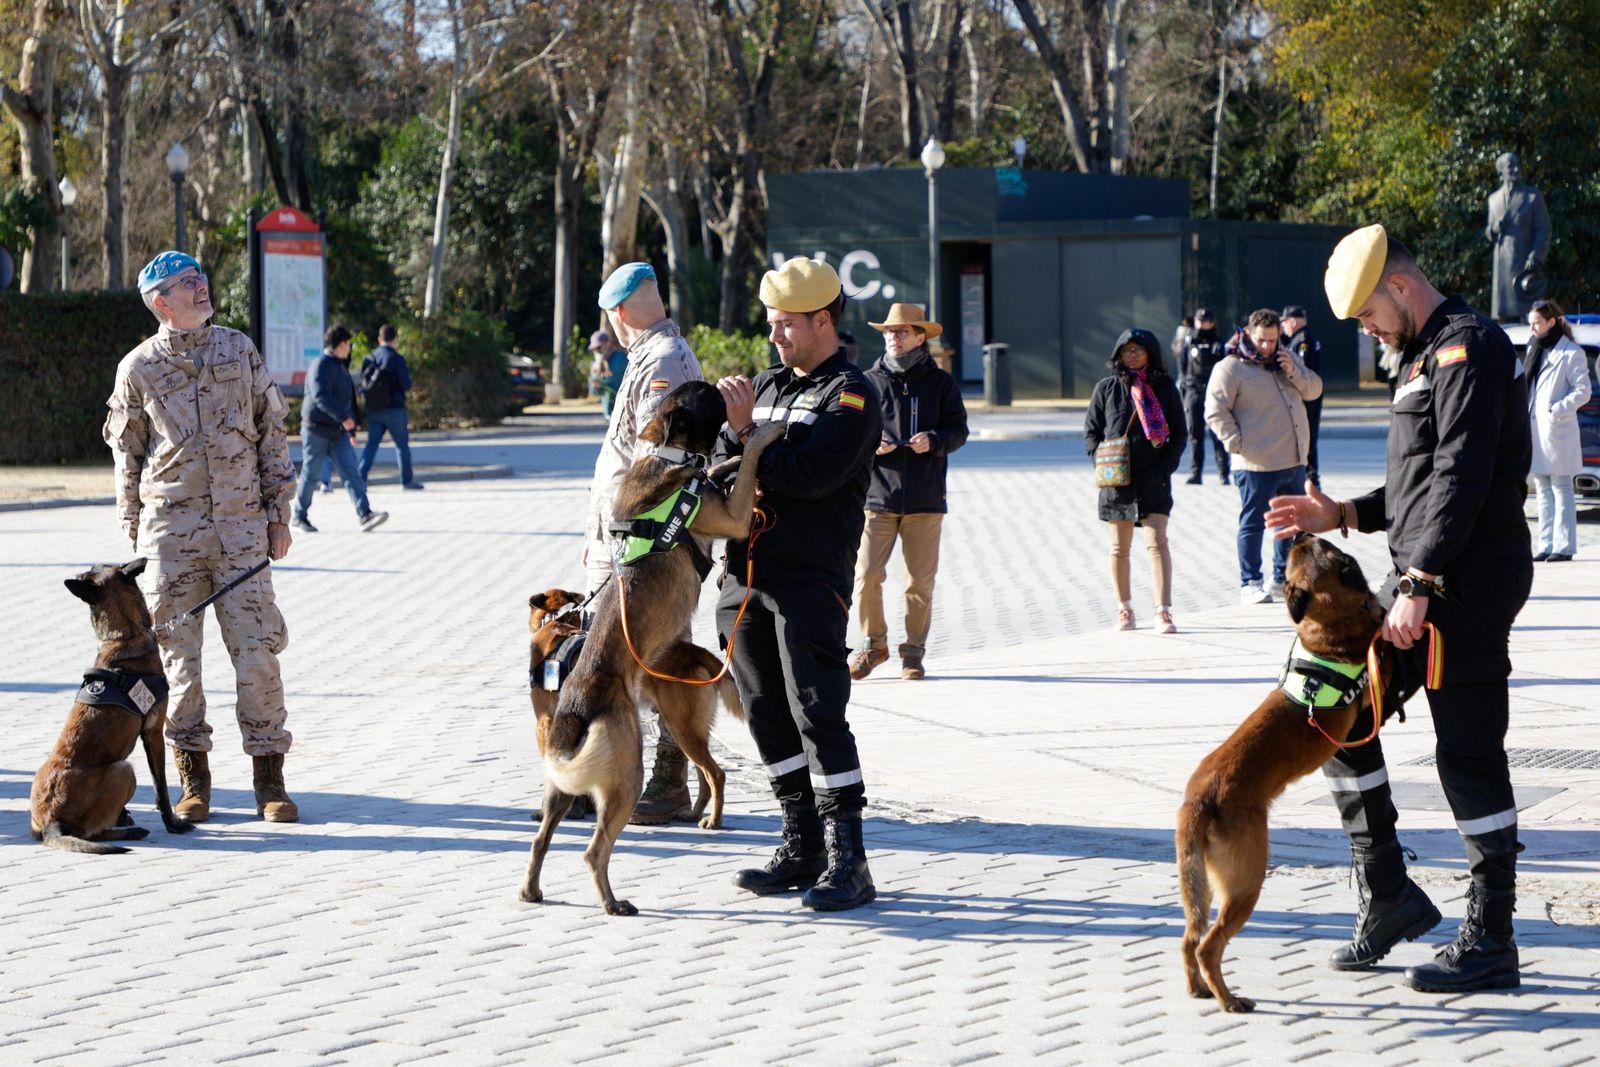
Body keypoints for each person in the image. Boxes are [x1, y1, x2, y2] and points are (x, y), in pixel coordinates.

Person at [1267, 224, 1533, 994]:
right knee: (1328, 708)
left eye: (1367, 315)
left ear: (1400, 286)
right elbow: (1417, 485)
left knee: (1468, 751)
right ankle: (1388, 891)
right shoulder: (1418, 357)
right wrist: (1341, 514)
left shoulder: (1470, 347)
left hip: (1466, 583)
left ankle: (1492, 937)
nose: (1366, 331)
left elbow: (1463, 472)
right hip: (1424, 575)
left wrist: (1418, 581)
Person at [102, 251, 299, 824]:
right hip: (170, 539)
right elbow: (127, 458)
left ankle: (270, 782)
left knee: (259, 654)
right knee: (178, 664)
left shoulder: (239, 349)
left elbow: (272, 432)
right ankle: (194, 782)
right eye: (188, 284)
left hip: (242, 534)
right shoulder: (137, 369)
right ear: (161, 302)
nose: (202, 288)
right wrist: (136, 532)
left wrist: (279, 514)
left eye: (201, 278)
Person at [712, 257, 882, 911]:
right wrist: (739, 435)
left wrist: (750, 435)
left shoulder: (853, 394)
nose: (775, 336)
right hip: (747, 576)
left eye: (786, 325)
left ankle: (850, 859)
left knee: (818, 711)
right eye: (771, 324)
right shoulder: (768, 384)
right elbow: (727, 466)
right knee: (763, 710)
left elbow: (813, 475)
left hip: (811, 577)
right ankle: (800, 841)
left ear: (822, 321)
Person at [583, 262, 705, 824]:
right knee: (631, 657)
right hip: (627, 545)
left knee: (654, 657)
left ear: (619, 314)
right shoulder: (648, 358)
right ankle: (610, 777)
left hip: (647, 552)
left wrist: (629, 545)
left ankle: (666, 781)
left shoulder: (664, 362)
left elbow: (662, 465)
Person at [848, 303, 969, 680]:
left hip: (925, 499)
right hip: (877, 497)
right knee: (866, 575)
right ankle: (873, 646)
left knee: (919, 583)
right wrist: (872, 443)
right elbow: (847, 432)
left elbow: (959, 432)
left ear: (921, 337)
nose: (892, 338)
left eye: (901, 332)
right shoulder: (866, 380)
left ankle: (913, 653)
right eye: (888, 332)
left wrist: (933, 440)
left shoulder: (942, 383)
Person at [1205, 308, 1322, 603]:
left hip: (1293, 460)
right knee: (1254, 522)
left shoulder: (1287, 359)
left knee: (1289, 522)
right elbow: (1214, 410)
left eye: (1273, 340)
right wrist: (1236, 443)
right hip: (1255, 463)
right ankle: (1250, 582)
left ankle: (1281, 578)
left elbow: (1314, 390)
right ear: (1249, 333)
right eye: (1262, 340)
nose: (1268, 346)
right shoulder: (1231, 367)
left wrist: (1294, 370)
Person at [1083, 328, 1187, 633]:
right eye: (1126, 350)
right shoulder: (1106, 388)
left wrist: (1166, 466)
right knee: (1119, 548)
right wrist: (1102, 462)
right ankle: (1124, 609)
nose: (1132, 355)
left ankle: (1163, 610)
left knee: (1157, 543)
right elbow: (1091, 431)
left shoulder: (1165, 387)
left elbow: (1180, 433)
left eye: (1138, 350)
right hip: (1118, 482)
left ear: (1150, 354)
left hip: (1154, 480)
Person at [292, 326, 389, 534]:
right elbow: (321, 397)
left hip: (337, 432)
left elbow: (347, 400)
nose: (350, 349)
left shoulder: (339, 366)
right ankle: (299, 516)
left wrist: (351, 428)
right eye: (348, 345)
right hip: (316, 429)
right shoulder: (321, 365)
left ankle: (365, 514)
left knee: (351, 471)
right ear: (341, 344)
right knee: (311, 474)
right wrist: (344, 418)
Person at [1524, 299, 1592, 562]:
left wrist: (1557, 409)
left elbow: (1583, 391)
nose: (1532, 329)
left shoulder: (1571, 352)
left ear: (1551, 322)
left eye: (1536, 323)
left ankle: (1564, 546)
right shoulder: (1535, 349)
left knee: (1561, 488)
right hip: (1537, 429)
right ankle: (1546, 543)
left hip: (1557, 429)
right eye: (1530, 323)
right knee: (1542, 488)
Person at [358, 323, 424, 490]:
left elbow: (363, 383)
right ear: (395, 339)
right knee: (401, 445)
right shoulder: (397, 359)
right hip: (395, 409)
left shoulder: (369, 358)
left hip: (374, 409)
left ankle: (360, 478)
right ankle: (406, 481)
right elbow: (406, 384)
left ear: (379, 339)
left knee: (371, 445)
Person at [1485, 152, 1550, 322]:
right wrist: (1494, 229)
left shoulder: (1532, 197)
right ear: (1501, 173)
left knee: (1526, 315)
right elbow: (1488, 231)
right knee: (1502, 319)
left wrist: (1535, 256)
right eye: (1510, 166)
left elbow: (1543, 230)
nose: (1515, 169)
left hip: (1524, 265)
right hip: (1502, 264)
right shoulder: (1493, 199)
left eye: (1517, 165)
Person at [1181, 308, 1228, 484]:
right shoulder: (1189, 342)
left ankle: (1223, 474)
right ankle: (1196, 473)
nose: (1203, 325)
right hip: (1194, 391)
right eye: (1200, 321)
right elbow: (1184, 368)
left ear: (1212, 323)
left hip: (1214, 392)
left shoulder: (1219, 343)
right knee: (1195, 435)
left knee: (1218, 435)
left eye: (1206, 321)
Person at [1280, 305, 1324, 486]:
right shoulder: (1301, 337)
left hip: (1307, 396)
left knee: (1306, 439)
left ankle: (1311, 478)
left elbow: (1303, 368)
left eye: (1284, 323)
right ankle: (1308, 477)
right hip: (1308, 395)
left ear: (1292, 321)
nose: (1282, 327)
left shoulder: (1303, 339)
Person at [587, 329, 628, 417]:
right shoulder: (595, 364)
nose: (596, 351)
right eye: (594, 349)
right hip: (608, 413)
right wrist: (595, 382)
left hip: (625, 411)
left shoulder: (622, 358)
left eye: (598, 347)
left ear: (608, 343)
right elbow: (594, 392)